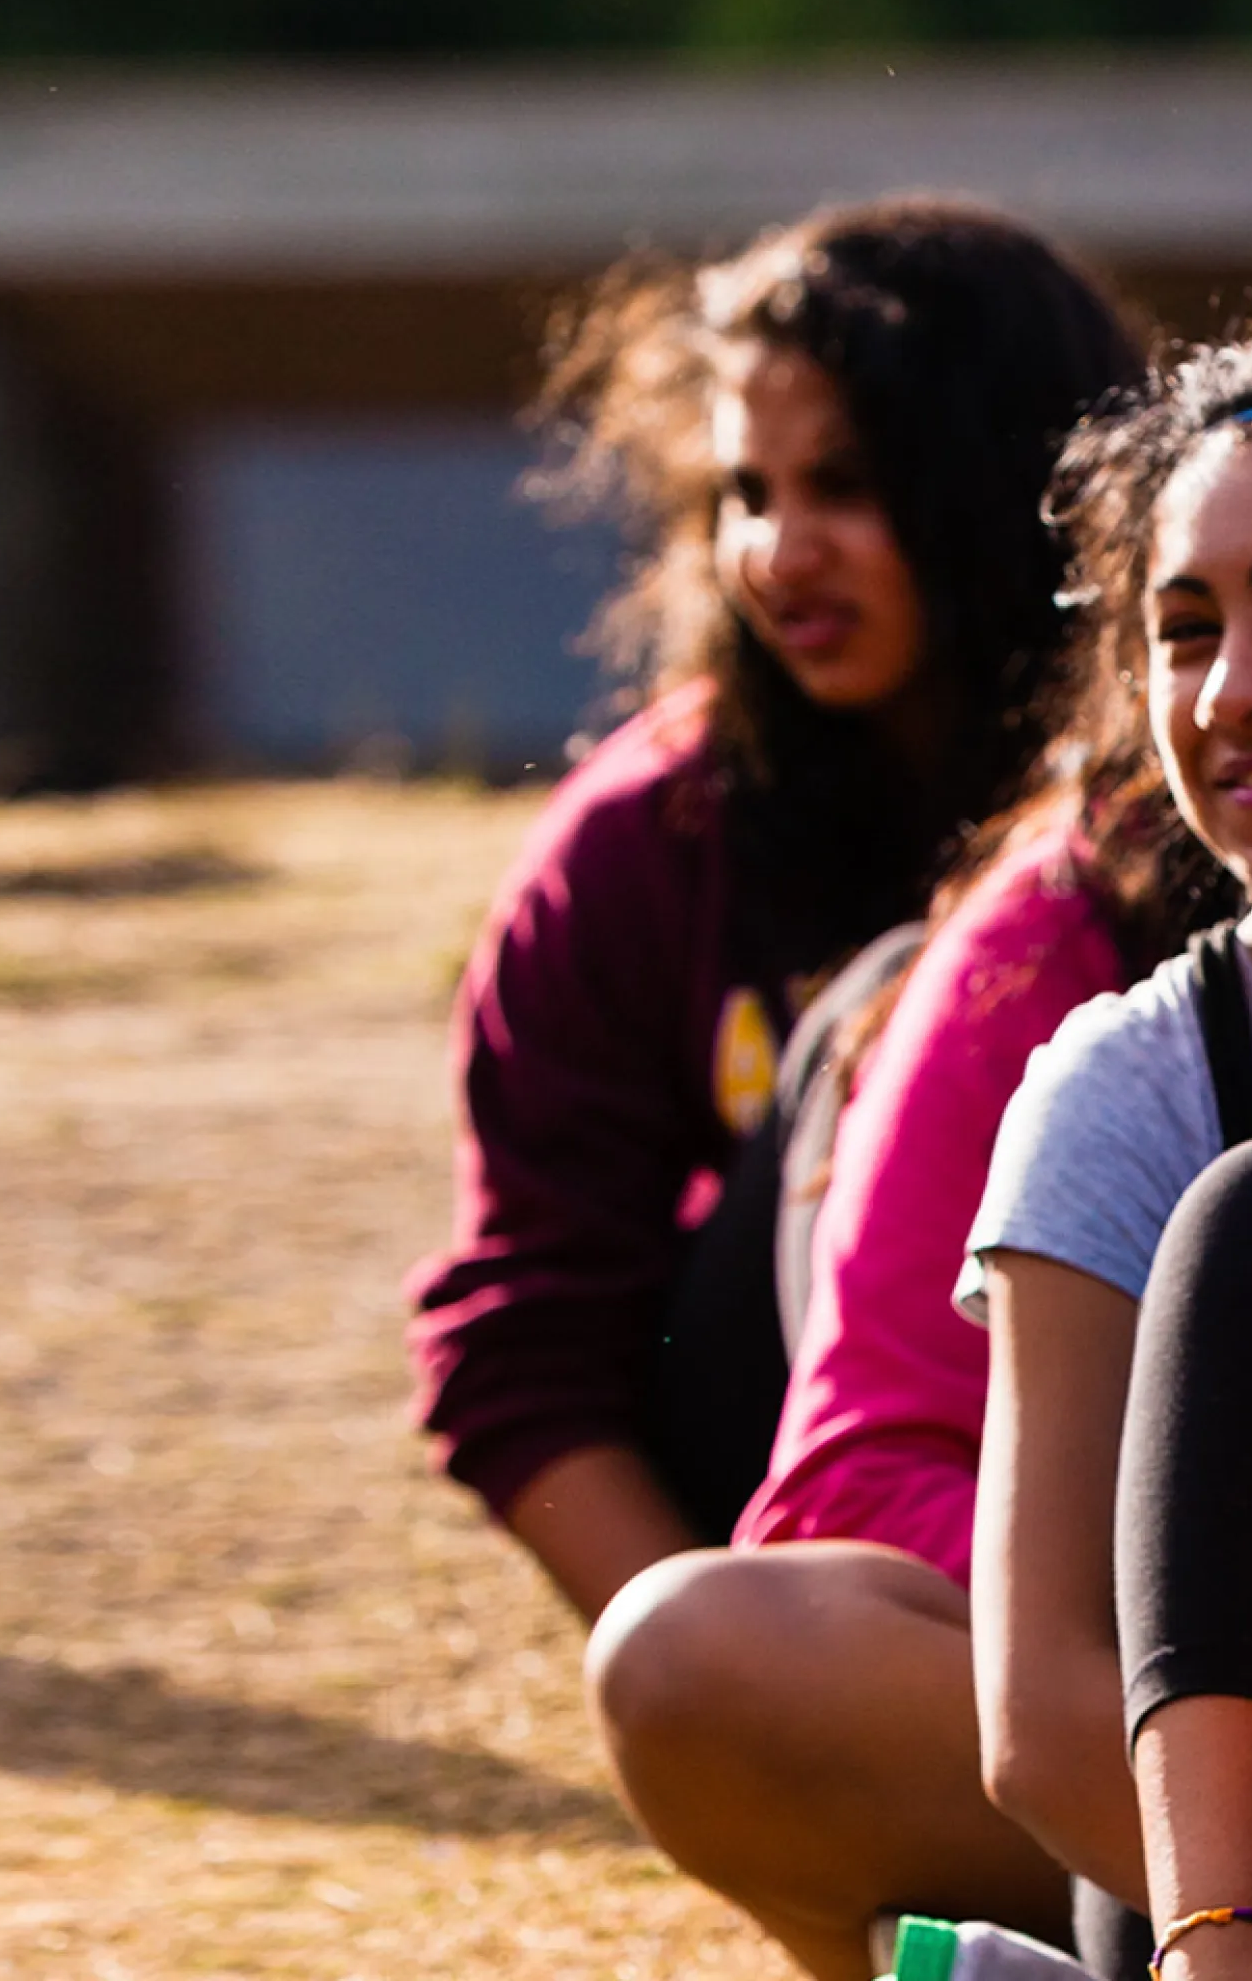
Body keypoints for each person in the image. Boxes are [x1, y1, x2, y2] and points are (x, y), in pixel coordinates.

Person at [585, 252, 1252, 1981]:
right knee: (694, 1649)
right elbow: (1040, 1716)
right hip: (1226, 1851)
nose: (1235, 688)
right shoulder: (1131, 1072)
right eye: (1184, 631)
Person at [404, 198, 1141, 1630]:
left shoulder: (1190, 795)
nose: (782, 554)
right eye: (749, 494)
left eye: (850, 486)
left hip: (1139, 1510)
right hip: (827, 1561)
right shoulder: (642, 843)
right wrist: (713, 1670)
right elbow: (524, 1350)